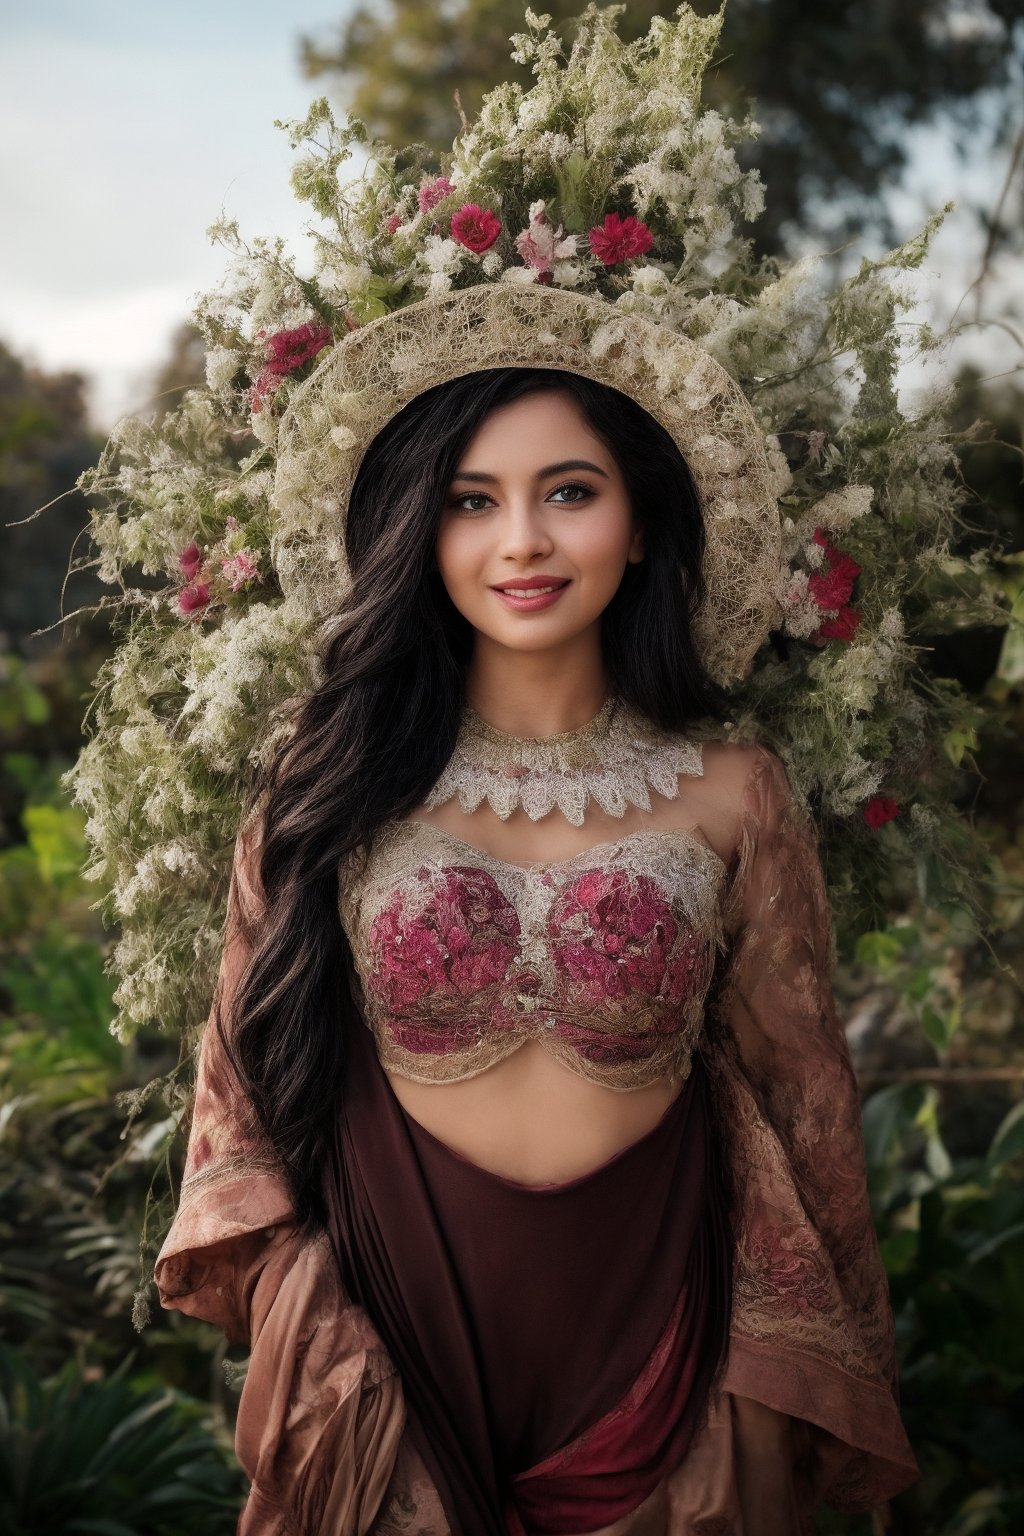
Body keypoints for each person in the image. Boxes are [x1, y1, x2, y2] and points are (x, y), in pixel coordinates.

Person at [153, 340, 919, 1534]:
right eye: (471, 501)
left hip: (669, 1357)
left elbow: (804, 1100)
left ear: (646, 522)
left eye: (569, 490)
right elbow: (237, 1106)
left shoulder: (731, 793)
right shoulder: (332, 791)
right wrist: (316, 1320)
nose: (522, 541)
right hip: (389, 1353)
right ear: (417, 529)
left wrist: (829, 1364)